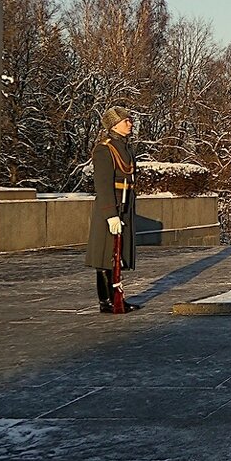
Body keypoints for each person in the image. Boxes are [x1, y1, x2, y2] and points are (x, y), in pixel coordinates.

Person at [85, 106, 140, 313]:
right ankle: (106, 301)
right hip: (111, 206)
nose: (130, 124)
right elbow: (103, 183)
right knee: (105, 255)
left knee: (117, 254)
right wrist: (110, 215)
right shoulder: (105, 149)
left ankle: (117, 297)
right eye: (127, 121)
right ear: (114, 124)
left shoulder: (126, 147)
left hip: (124, 204)